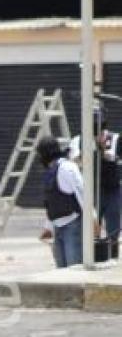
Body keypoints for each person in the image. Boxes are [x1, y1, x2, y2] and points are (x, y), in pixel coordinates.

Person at [69, 110, 121, 258]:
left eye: (101, 126)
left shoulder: (114, 138)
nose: (98, 130)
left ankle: (114, 255)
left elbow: (115, 158)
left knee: (113, 229)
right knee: (90, 227)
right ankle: (91, 256)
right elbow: (74, 162)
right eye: (94, 127)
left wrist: (103, 149)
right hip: (91, 191)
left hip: (112, 190)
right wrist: (88, 153)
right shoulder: (78, 141)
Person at [37, 136, 86, 268]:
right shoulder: (49, 172)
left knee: (74, 269)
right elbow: (50, 203)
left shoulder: (67, 167)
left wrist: (91, 221)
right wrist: (48, 227)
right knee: (61, 270)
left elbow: (82, 193)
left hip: (73, 224)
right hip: (58, 226)